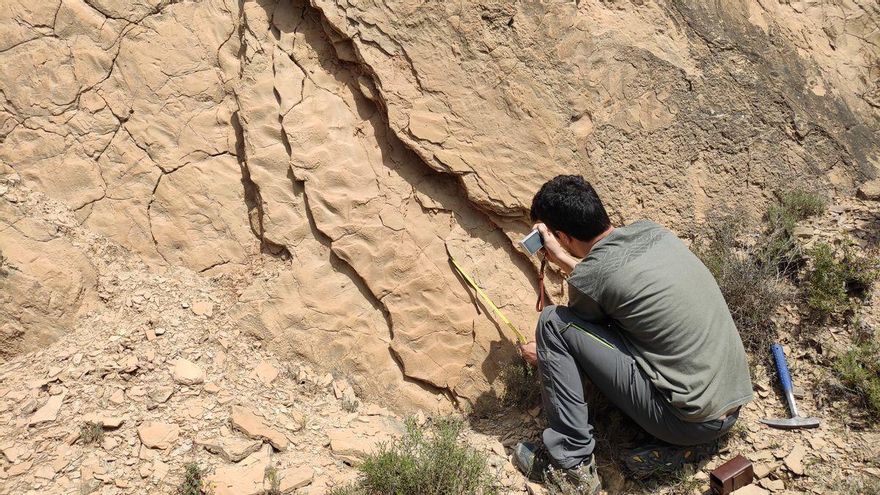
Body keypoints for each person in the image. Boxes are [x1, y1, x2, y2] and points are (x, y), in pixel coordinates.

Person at [512, 175, 753, 493]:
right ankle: (685, 447)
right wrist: (569, 260)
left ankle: (571, 472)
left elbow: (586, 328)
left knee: (554, 324)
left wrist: (545, 356)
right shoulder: (652, 232)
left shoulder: (591, 277)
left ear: (559, 236)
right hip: (731, 406)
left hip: (687, 423)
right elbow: (616, 286)